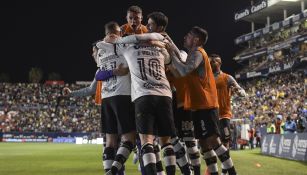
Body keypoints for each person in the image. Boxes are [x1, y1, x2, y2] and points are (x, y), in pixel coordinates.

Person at [96, 13, 177, 175]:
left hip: (135, 96)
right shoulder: (159, 45)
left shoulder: (122, 48)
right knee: (164, 142)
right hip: (161, 94)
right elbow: (172, 60)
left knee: (140, 140)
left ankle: (113, 171)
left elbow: (98, 72)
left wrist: (107, 44)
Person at [165, 26, 237, 175]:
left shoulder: (198, 53)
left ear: (196, 40)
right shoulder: (193, 53)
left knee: (214, 142)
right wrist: (170, 42)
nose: (185, 37)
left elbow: (184, 70)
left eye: (188, 35)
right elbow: (181, 58)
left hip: (206, 105)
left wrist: (171, 56)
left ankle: (232, 172)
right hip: (198, 106)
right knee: (204, 145)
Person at [209, 53, 247, 174]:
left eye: (213, 61)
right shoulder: (206, 77)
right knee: (211, 144)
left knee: (225, 143)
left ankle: (225, 171)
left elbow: (240, 90)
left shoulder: (227, 77)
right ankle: (212, 169)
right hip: (210, 114)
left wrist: (240, 91)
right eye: (209, 61)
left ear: (219, 63)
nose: (210, 63)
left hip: (224, 114)